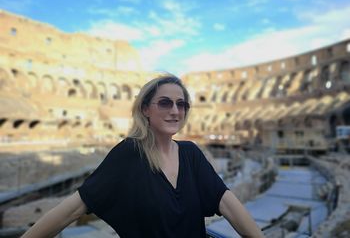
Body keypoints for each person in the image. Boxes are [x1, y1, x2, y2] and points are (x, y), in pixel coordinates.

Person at [21, 75, 264, 238]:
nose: (175, 111)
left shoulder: (191, 154)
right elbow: (71, 210)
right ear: (145, 109)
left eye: (182, 104)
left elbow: (229, 205)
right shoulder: (129, 153)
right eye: (165, 103)